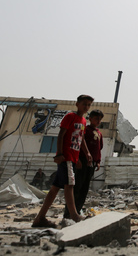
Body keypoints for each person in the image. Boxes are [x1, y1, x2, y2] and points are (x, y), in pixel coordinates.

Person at [32, 95, 94, 228]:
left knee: (54, 189)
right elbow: (61, 134)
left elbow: (80, 138)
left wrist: (86, 153)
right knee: (70, 185)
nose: (86, 107)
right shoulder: (70, 117)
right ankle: (74, 215)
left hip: (72, 157)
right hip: (66, 156)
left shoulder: (83, 121)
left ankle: (40, 218)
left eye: (89, 105)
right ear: (77, 104)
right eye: (84, 104)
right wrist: (60, 153)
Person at [64, 109, 104, 218]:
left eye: (100, 119)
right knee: (77, 187)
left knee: (84, 189)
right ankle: (69, 213)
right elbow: (79, 144)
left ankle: (77, 210)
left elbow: (98, 149)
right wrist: (78, 159)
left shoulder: (99, 133)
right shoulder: (85, 129)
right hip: (82, 160)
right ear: (90, 118)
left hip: (92, 164)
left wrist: (98, 162)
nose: (98, 121)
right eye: (96, 118)